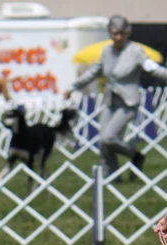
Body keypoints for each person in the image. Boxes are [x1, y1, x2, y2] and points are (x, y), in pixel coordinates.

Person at [64, 15, 167, 180]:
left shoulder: (136, 51)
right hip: (110, 101)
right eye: (114, 33)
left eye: (121, 33)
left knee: (109, 137)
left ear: (127, 33)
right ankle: (112, 176)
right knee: (103, 143)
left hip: (128, 102)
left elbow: (153, 69)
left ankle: (135, 155)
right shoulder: (106, 51)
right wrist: (73, 86)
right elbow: (94, 72)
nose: (118, 37)